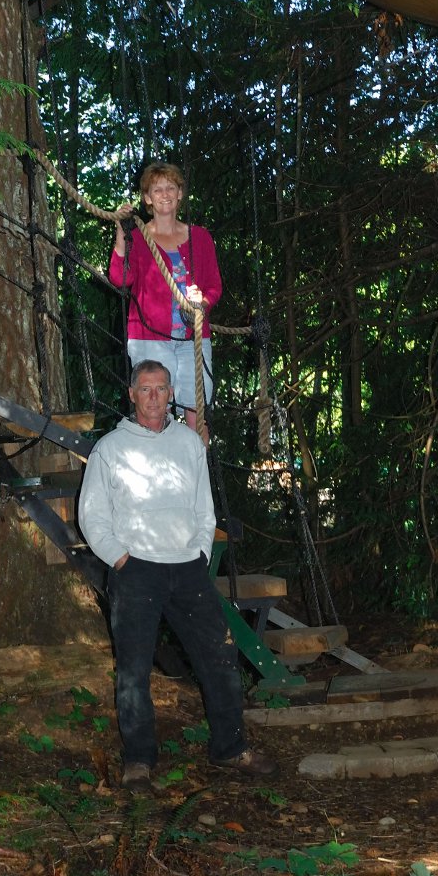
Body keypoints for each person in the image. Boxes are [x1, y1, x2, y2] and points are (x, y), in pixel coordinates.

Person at [78, 359, 275, 790]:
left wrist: (200, 552)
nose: (154, 397)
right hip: (136, 571)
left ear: (171, 394)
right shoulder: (110, 449)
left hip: (187, 570)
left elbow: (204, 507)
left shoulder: (188, 443)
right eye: (145, 389)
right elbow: (92, 515)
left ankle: (229, 748)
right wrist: (120, 558)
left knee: (220, 657)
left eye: (161, 388)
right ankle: (139, 760)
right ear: (132, 394)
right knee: (134, 670)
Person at [110, 161, 222, 429]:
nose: (165, 194)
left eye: (171, 188)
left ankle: (197, 457)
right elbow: (120, 278)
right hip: (149, 338)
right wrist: (121, 233)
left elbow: (214, 286)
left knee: (197, 411)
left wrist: (202, 301)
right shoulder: (138, 236)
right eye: (157, 189)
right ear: (147, 197)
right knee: (154, 411)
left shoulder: (200, 237)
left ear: (180, 193)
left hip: (192, 338)